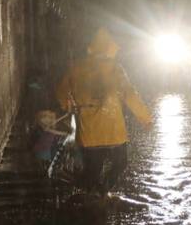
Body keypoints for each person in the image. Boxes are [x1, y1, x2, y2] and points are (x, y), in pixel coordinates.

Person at [56, 28, 152, 194]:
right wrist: (146, 119)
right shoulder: (116, 70)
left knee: (93, 168)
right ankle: (102, 192)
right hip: (114, 131)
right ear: (111, 48)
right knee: (120, 164)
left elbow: (61, 90)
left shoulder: (77, 68)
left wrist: (67, 105)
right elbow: (130, 94)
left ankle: (88, 194)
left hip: (89, 133)